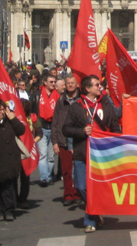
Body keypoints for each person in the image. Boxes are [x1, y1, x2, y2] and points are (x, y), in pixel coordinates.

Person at [62, 75, 121, 233]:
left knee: (99, 188)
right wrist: (81, 131)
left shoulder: (106, 103)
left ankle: (90, 221)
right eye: (96, 85)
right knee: (81, 187)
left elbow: (114, 125)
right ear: (87, 88)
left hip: (102, 154)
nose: (99, 87)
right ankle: (95, 214)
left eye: (100, 84)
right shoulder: (76, 107)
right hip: (82, 152)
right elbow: (65, 129)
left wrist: (117, 143)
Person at [0, 98, 26, 222]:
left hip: (9, 160)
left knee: (9, 187)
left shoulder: (10, 122)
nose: (2, 112)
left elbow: (22, 130)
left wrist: (13, 118)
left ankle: (9, 210)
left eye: (4, 109)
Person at [52, 75, 80, 203]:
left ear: (77, 85)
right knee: (66, 170)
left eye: (72, 83)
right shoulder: (61, 100)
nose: (69, 85)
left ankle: (79, 194)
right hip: (63, 139)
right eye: (67, 83)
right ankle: (68, 194)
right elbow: (55, 121)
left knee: (79, 169)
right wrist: (55, 141)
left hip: (79, 140)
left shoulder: (81, 100)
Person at [36, 75, 59, 186]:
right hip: (41, 127)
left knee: (51, 156)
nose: (53, 84)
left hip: (53, 129)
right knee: (43, 155)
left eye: (55, 82)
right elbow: (33, 110)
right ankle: (44, 178)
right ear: (45, 82)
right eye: (51, 81)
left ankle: (49, 176)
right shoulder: (37, 95)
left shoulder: (58, 96)